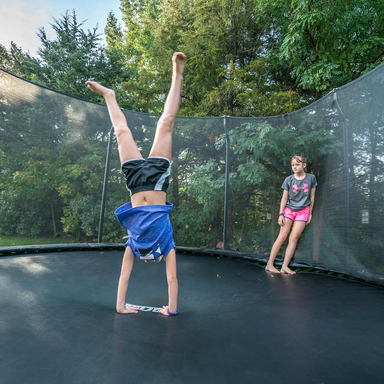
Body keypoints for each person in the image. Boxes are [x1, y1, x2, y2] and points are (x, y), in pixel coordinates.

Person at [86, 52, 186, 316]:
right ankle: (177, 73)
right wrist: (171, 310)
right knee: (165, 124)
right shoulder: (167, 244)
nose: (143, 254)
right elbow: (172, 279)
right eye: (146, 255)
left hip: (134, 181)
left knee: (121, 133)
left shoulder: (132, 243)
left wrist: (121, 307)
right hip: (157, 180)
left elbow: (123, 276)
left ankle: (109, 96)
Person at [265, 155, 317, 274]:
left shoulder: (311, 178)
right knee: (282, 236)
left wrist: (309, 213)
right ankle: (269, 264)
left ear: (304, 165)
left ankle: (284, 266)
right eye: (293, 165)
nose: (294, 167)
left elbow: (312, 197)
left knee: (293, 237)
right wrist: (281, 214)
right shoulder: (288, 180)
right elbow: (284, 198)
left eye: (297, 164)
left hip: (303, 211)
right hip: (289, 210)